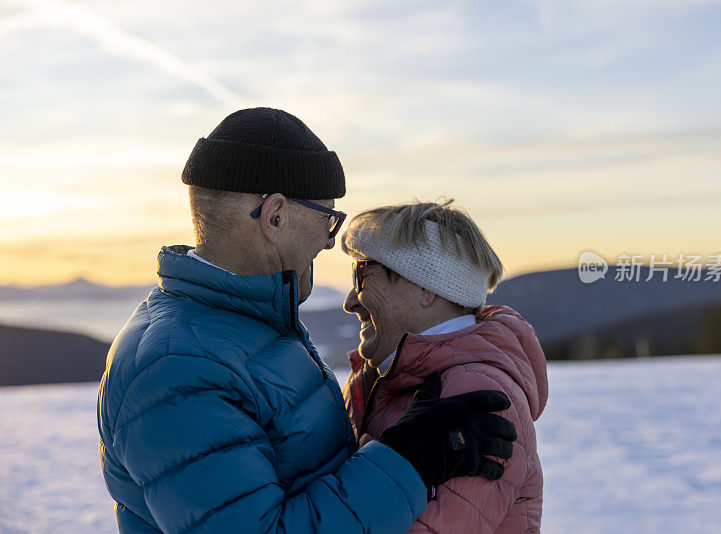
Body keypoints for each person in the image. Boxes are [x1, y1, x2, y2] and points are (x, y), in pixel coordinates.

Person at [96, 108, 518, 534]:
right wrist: (411, 458)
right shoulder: (176, 366)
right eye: (328, 218)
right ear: (276, 215)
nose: (329, 241)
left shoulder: (251, 327)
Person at [341, 199, 549, 533]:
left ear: (425, 288)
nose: (350, 302)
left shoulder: (475, 396)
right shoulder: (382, 378)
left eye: (362, 275)